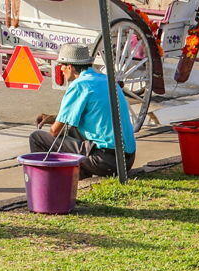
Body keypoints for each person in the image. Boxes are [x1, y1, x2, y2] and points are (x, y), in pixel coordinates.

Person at [29, 46, 136, 175]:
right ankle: (80, 176)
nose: (61, 69)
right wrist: (53, 118)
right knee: (72, 130)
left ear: (70, 67)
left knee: (37, 137)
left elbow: (54, 131)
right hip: (126, 160)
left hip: (105, 161)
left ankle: (46, 182)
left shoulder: (79, 85)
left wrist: (54, 125)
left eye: (62, 65)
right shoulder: (106, 80)